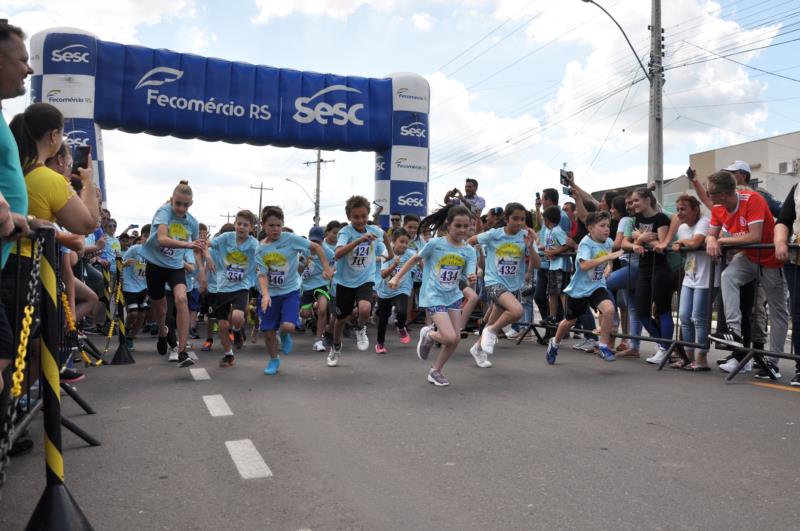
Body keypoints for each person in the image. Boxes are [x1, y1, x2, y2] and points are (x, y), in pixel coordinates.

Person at [706, 171, 789, 379]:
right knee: (728, 276)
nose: (707, 197)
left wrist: (721, 241)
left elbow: (755, 236)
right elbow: (711, 235)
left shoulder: (753, 199)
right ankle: (733, 331)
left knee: (778, 310)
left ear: (723, 194)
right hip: (751, 258)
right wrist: (710, 240)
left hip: (771, 258)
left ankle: (773, 361)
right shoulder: (717, 207)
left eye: (709, 193)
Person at [390, 204, 477, 386]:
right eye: (458, 226)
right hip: (433, 295)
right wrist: (397, 277)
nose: (462, 230)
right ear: (448, 225)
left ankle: (435, 371)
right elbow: (415, 259)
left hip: (453, 295)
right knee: (449, 337)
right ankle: (429, 335)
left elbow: (469, 273)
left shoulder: (469, 250)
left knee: (456, 339)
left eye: (465, 226)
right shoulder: (435, 244)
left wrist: (472, 276)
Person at [256, 206, 332, 375]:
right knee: (268, 333)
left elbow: (317, 248)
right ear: (263, 225)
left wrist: (326, 268)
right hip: (270, 294)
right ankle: (274, 360)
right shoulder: (260, 249)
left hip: (290, 291)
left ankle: (284, 335)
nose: (276, 229)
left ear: (283, 224)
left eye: (278, 225)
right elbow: (261, 275)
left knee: (289, 326)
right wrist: (265, 294)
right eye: (271, 225)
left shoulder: (290, 239)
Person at [141, 180, 205, 368]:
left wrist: (202, 269)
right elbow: (161, 239)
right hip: (155, 264)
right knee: (160, 308)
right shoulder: (164, 212)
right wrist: (187, 244)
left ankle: (182, 351)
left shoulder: (192, 222)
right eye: (178, 203)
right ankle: (162, 332)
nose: (181, 208)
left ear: (191, 204)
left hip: (175, 266)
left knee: (181, 299)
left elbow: (197, 248)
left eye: (185, 204)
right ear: (172, 200)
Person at [547, 211, 622, 364]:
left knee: (609, 309)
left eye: (608, 225)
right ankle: (554, 343)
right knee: (570, 321)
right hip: (579, 290)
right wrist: (607, 258)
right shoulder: (586, 243)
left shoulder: (608, 241)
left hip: (597, 286)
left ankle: (603, 346)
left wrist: (609, 266)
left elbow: (609, 257)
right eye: (602, 226)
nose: (607, 229)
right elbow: (584, 265)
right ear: (590, 228)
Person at [470, 202, 538, 366]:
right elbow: (470, 241)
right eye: (515, 218)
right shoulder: (494, 234)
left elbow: (537, 264)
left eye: (522, 219)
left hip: (513, 286)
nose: (519, 222)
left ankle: (477, 349)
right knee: (516, 311)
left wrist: (531, 248)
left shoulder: (526, 236)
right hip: (493, 282)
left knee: (493, 321)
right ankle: (491, 332)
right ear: (506, 218)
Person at [328, 196, 392, 367]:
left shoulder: (373, 230)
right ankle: (335, 346)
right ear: (348, 216)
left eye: (363, 216)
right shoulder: (345, 232)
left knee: (365, 308)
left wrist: (390, 253)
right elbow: (338, 254)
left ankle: (360, 328)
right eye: (356, 217)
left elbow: (384, 235)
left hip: (365, 279)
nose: (360, 220)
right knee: (340, 320)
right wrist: (358, 241)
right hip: (345, 282)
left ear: (368, 215)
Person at [623, 187, 674, 365]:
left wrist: (642, 238)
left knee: (663, 309)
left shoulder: (660, 218)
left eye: (637, 200)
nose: (633, 204)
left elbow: (661, 247)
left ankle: (665, 349)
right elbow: (624, 243)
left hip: (660, 268)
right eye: (632, 201)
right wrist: (638, 240)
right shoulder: (634, 220)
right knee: (641, 311)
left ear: (647, 200)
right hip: (643, 269)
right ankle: (664, 345)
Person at [668, 195, 714, 370]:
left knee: (698, 318)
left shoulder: (704, 222)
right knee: (685, 317)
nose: (680, 213)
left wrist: (681, 242)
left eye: (684, 209)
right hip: (690, 276)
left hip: (706, 277)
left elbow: (695, 243)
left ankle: (701, 359)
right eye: (678, 209)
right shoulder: (682, 228)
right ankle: (689, 358)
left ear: (695, 209)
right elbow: (688, 249)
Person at [207, 210, 258, 368]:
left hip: (242, 285)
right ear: (235, 224)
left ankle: (237, 330)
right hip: (222, 286)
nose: (241, 227)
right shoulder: (225, 238)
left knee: (237, 316)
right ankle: (229, 355)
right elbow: (206, 244)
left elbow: (262, 255)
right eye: (239, 223)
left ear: (251, 228)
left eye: (245, 225)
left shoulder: (253, 243)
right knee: (222, 325)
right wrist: (208, 257)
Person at [773, 183, 800, 386]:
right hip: (797, 260)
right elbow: (783, 220)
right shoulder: (797, 188)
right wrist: (781, 242)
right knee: (798, 314)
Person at [374, 228, 415, 353]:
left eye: (406, 243)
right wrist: (394, 265)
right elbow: (383, 275)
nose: (404, 245)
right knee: (383, 318)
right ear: (393, 241)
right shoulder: (387, 254)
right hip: (385, 290)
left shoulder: (410, 254)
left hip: (401, 288)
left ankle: (401, 326)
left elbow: (420, 260)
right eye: (401, 242)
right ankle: (380, 343)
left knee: (402, 311)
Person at [299, 225, 335, 352]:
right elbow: (299, 269)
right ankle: (311, 315)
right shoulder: (304, 250)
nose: (314, 244)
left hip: (321, 284)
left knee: (323, 308)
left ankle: (318, 340)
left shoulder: (329, 253)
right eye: (312, 241)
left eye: (317, 241)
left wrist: (329, 272)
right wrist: (302, 265)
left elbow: (334, 268)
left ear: (322, 240)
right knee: (305, 314)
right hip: (306, 285)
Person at [540, 205, 569, 330]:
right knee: (551, 291)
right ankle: (552, 316)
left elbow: (566, 245)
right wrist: (544, 249)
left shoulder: (558, 230)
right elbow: (548, 245)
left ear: (547, 219)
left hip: (560, 265)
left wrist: (554, 252)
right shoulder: (547, 231)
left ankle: (568, 315)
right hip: (552, 265)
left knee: (562, 291)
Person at [121, 226, 150, 350]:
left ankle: (130, 338)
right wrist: (125, 263)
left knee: (142, 314)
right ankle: (126, 330)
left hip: (144, 286)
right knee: (133, 313)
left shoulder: (154, 253)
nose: (147, 239)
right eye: (145, 236)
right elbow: (119, 262)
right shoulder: (134, 249)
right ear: (141, 237)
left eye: (150, 236)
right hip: (130, 285)